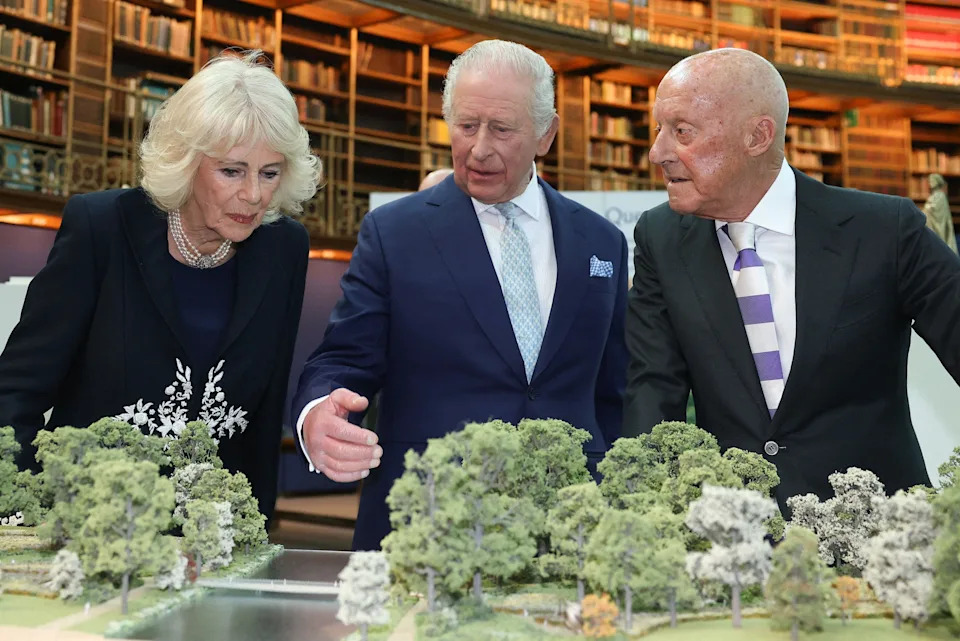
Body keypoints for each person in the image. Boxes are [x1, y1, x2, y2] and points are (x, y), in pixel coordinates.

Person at [293, 39, 628, 551]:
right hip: (429, 525)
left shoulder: (603, 242)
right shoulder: (394, 232)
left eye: (502, 129)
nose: (479, 148)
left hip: (570, 531)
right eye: (466, 126)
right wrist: (319, 411)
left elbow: (613, 393)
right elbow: (343, 357)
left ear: (546, 134)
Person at [624, 48, 960, 512]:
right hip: (734, 540)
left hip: (879, 533)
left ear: (757, 136)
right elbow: (651, 392)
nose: (657, 152)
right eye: (659, 130)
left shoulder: (884, 230)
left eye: (681, 132)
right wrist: (641, 518)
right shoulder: (659, 239)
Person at [0, 50, 322, 524]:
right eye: (232, 170)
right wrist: (21, 512)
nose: (253, 194)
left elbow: (262, 417)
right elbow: (17, 394)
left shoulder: (284, 248)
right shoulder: (102, 228)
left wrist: (256, 528)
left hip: (211, 532)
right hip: (88, 525)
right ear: (186, 162)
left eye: (270, 173)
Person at [923, 173, 957, 253]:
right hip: (932, 226)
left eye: (932, 181)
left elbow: (937, 213)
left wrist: (927, 210)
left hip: (938, 226)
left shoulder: (940, 196)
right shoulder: (933, 196)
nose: (930, 183)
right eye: (929, 181)